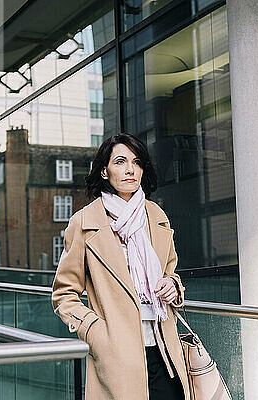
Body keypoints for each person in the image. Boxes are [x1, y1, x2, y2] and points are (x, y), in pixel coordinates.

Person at [51, 133, 189, 400]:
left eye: (136, 163)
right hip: (117, 353)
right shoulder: (84, 222)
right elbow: (63, 295)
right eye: (120, 162)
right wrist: (96, 332)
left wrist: (172, 285)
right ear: (104, 170)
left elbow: (171, 270)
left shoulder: (155, 215)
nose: (130, 169)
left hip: (164, 349)